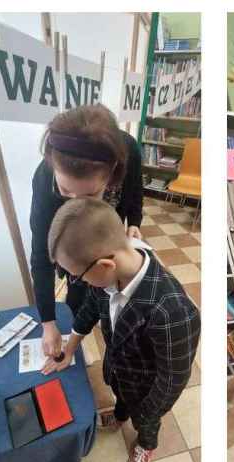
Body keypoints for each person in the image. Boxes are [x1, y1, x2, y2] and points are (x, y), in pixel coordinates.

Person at [42, 197, 200, 462]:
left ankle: (146, 444)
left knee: (145, 423)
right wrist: (71, 346)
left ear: (105, 264)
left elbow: (173, 378)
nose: (78, 283)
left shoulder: (172, 311)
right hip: (120, 373)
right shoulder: (107, 277)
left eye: (77, 277)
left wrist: (149, 412)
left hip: (148, 391)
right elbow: (91, 308)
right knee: (121, 400)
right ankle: (120, 413)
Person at [29, 104, 144, 361]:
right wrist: (48, 322)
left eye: (90, 194)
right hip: (78, 250)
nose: (77, 203)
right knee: (80, 295)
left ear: (113, 172)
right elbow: (40, 255)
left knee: (114, 295)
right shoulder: (44, 179)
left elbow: (136, 191)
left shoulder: (129, 151)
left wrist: (134, 221)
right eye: (66, 191)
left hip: (109, 239)